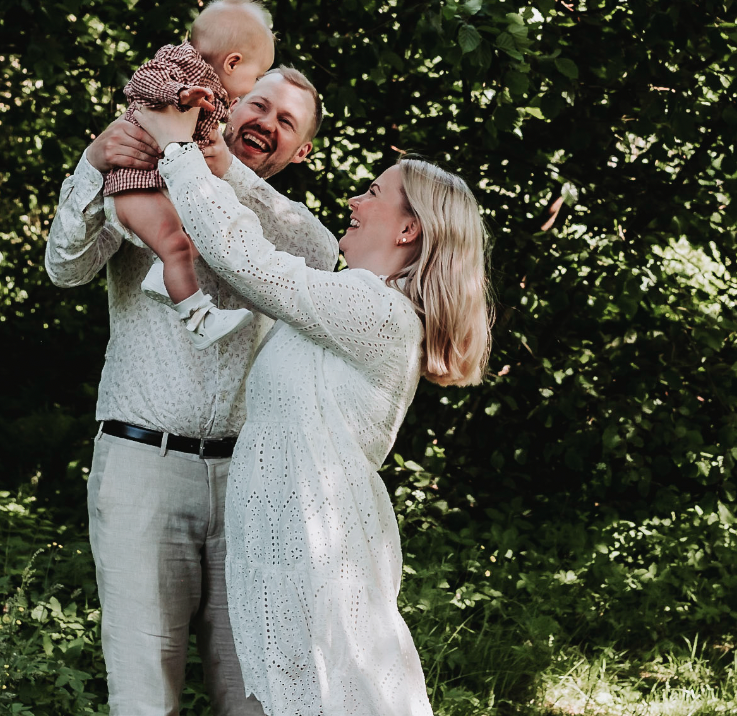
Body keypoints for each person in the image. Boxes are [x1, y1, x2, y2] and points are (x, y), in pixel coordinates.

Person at [138, 102, 492, 716]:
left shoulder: (378, 312)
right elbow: (250, 292)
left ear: (408, 230)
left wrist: (179, 152)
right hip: (285, 541)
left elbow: (250, 261)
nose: (354, 201)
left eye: (374, 193)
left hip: (315, 545)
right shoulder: (343, 305)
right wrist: (215, 177)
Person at [44, 63, 332, 716]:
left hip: (251, 485)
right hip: (142, 466)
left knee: (258, 694)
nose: (266, 123)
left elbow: (319, 254)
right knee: (145, 696)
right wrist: (93, 162)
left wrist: (226, 175)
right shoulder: (145, 183)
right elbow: (64, 268)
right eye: (259, 105)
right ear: (228, 106)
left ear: (301, 151)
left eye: (286, 122)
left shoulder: (281, 224)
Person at [106, 0, 275, 348]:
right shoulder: (181, 64)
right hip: (135, 181)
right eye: (257, 76)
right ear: (233, 62)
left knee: (209, 224)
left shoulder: (214, 88)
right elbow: (140, 82)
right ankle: (199, 321)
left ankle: (162, 276)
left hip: (158, 181)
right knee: (176, 246)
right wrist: (179, 94)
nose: (255, 85)